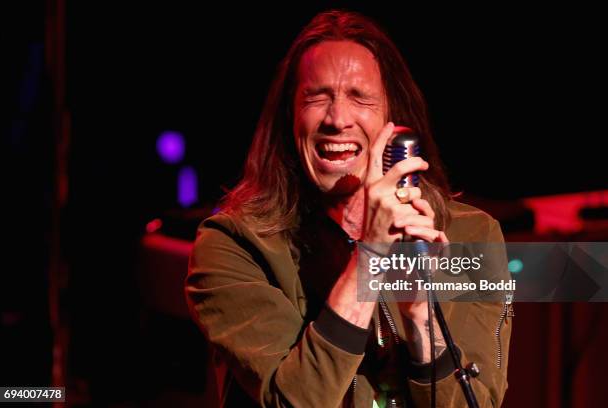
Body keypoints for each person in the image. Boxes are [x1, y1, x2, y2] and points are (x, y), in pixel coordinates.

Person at [185, 10, 511, 407]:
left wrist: (421, 321)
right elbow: (292, 401)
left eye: (361, 98)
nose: (337, 119)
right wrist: (370, 256)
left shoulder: (473, 236)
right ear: (290, 117)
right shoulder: (234, 245)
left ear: (394, 118)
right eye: (316, 97)